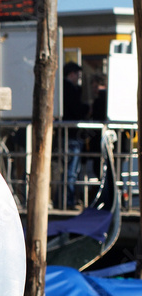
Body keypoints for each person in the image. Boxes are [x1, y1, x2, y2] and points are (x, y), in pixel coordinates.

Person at [62, 61, 90, 207]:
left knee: (68, 170)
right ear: (71, 74)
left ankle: (64, 200)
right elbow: (76, 109)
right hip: (72, 133)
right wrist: (86, 109)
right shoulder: (69, 89)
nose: (78, 79)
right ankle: (68, 201)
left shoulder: (63, 88)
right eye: (77, 76)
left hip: (67, 133)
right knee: (71, 170)